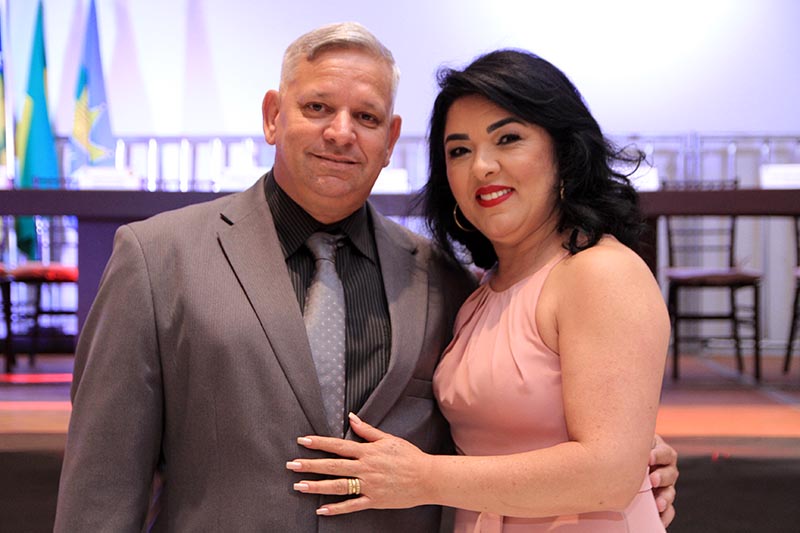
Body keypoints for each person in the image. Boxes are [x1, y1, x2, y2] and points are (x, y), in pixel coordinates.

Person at [54, 23, 676, 532]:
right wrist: (619, 461)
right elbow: (102, 478)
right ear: (273, 116)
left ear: (390, 139)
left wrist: (633, 458)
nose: (340, 132)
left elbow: (568, 427)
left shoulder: (439, 279)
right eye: (317, 107)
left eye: (367, 116)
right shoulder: (158, 257)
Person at [286, 49, 674, 532]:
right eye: (459, 151)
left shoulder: (600, 272)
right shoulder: (476, 291)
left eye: (508, 139)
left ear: (565, 152)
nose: (482, 166)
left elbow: (609, 474)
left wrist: (423, 478)